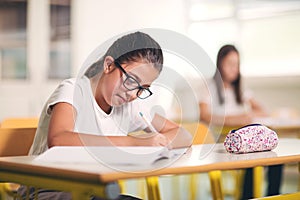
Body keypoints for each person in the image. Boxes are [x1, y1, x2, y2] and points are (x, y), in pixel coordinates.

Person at [18, 31, 192, 200]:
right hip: (47, 192)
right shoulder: (74, 90)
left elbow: (183, 134)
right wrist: (136, 143)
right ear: (109, 65)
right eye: (131, 80)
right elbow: (59, 139)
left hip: (93, 192)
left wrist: (159, 145)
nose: (133, 94)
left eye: (142, 89)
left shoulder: (130, 106)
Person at [199, 44, 282, 199]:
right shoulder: (209, 87)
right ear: (220, 65)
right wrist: (234, 119)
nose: (234, 69)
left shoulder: (240, 88)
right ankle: (247, 196)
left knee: (276, 157)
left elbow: (262, 110)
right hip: (221, 141)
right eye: (230, 64)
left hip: (244, 141)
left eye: (236, 65)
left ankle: (272, 195)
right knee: (252, 159)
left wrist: (247, 115)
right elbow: (204, 116)